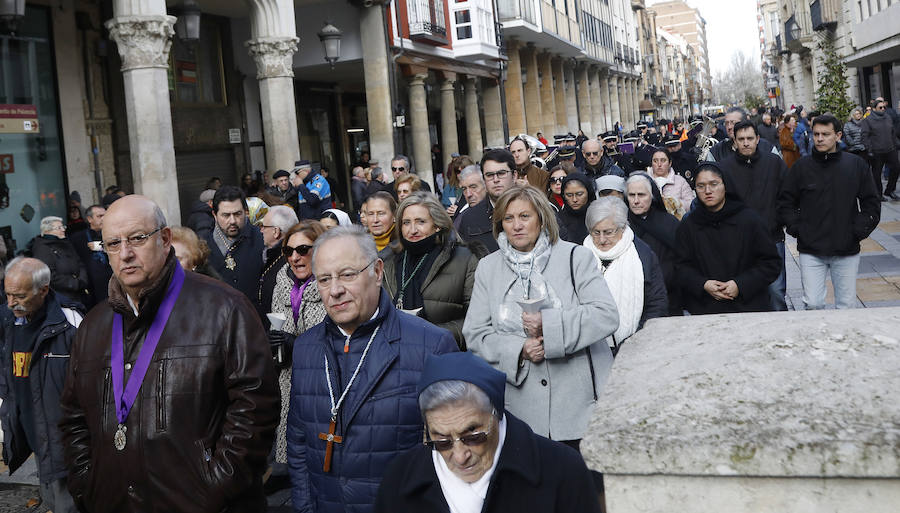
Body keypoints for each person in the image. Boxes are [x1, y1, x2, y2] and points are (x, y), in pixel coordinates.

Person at [58, 195, 279, 512]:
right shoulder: (94, 325)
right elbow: (73, 416)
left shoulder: (224, 308)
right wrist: (87, 484)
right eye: (113, 243)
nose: (126, 253)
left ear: (164, 239)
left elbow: (256, 409)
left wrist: (214, 488)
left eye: (137, 238)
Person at [287, 226, 458, 513]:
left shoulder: (432, 345)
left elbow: (451, 453)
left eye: (347, 274)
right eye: (324, 279)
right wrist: (305, 507)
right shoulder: (305, 347)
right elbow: (299, 441)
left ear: (377, 272)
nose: (335, 290)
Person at [463, 186, 618, 447]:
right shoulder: (488, 268)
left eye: (525, 216)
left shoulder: (575, 257)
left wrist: (549, 325)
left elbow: (605, 315)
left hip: (580, 407)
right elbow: (476, 335)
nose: (516, 226)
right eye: (508, 219)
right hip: (521, 412)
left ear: (542, 218)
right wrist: (520, 349)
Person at [375, 352, 602, 513]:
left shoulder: (562, 470)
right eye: (442, 441)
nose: (460, 455)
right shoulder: (400, 479)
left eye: (473, 436)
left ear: (496, 414)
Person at [1, 258, 82, 513]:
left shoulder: (70, 321)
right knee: (51, 499)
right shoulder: (9, 319)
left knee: (69, 504)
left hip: (65, 440)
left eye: (20, 296)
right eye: (7, 294)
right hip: (34, 433)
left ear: (44, 289)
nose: (11, 302)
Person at [777, 114, 881, 310]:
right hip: (811, 249)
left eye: (825, 134)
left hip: (846, 248)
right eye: (816, 134)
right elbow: (786, 202)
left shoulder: (855, 165)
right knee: (813, 303)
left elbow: (871, 202)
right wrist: (797, 228)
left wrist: (857, 231)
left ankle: (846, 341)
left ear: (838, 135)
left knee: (846, 305)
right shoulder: (801, 167)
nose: (820, 138)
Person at [675, 163, 781, 314]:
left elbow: (771, 263)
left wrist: (740, 285)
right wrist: (703, 284)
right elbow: (680, 267)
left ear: (725, 185)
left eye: (714, 184)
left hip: (749, 307)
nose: (708, 191)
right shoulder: (688, 225)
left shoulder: (750, 220)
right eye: (700, 186)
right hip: (706, 309)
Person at [268, 220, 329, 478]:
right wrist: (274, 345)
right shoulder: (282, 284)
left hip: (324, 387)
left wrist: (298, 345)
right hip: (289, 384)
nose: (295, 257)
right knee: (297, 464)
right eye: (288, 251)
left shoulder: (332, 284)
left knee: (324, 460)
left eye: (303, 249)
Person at [381, 192, 477, 347]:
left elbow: (477, 319)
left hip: (445, 355)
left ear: (437, 225)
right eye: (406, 223)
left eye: (421, 222)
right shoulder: (388, 261)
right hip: (394, 353)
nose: (412, 230)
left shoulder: (464, 259)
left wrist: (432, 335)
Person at [719, 121, 789, 311]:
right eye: (741, 139)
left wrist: (779, 220)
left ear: (758, 139)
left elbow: (787, 195)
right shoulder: (724, 168)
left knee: (776, 292)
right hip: (738, 242)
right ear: (735, 141)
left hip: (771, 237)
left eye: (750, 138)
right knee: (744, 294)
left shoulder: (774, 163)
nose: (746, 143)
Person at [583, 198, 667, 352]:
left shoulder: (643, 255)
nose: (602, 240)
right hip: (588, 349)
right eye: (596, 232)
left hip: (635, 347)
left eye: (608, 232)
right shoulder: (580, 256)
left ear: (622, 228)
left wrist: (632, 342)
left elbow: (657, 304)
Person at [626, 173, 682, 316]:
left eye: (641, 195)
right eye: (632, 195)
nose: (636, 201)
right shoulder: (621, 225)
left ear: (652, 196)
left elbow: (683, 259)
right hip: (631, 298)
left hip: (669, 295)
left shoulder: (669, 223)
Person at [205, 186, 265, 302]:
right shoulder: (204, 247)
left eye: (237, 214)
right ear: (214, 215)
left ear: (246, 212)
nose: (232, 221)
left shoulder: (260, 238)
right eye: (226, 215)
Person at [456, 149, 516, 254]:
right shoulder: (469, 219)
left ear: (514, 176)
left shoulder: (536, 209)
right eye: (489, 175)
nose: (496, 179)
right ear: (484, 180)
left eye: (501, 173)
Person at [27, 217, 88, 305]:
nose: (63, 230)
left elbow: (79, 262)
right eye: (59, 228)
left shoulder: (65, 242)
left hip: (79, 293)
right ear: (47, 231)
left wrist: (83, 280)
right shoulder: (42, 249)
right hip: (62, 298)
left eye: (63, 227)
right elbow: (49, 275)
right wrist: (75, 284)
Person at [257, 205, 300, 324]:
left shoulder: (289, 261)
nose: (261, 230)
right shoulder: (273, 256)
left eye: (264, 226)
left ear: (276, 231)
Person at [69, 205, 113, 307]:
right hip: (91, 287)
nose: (103, 219)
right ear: (89, 219)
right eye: (100, 216)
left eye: (105, 216)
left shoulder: (113, 233)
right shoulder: (78, 238)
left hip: (113, 283)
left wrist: (103, 247)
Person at [707, 107, 780, 162]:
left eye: (733, 122)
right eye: (726, 123)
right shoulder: (716, 152)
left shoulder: (767, 148)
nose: (729, 127)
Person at [861, 99, 900, 200]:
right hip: (876, 151)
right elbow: (865, 136)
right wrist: (869, 149)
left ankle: (889, 190)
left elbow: (892, 132)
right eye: (880, 107)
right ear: (874, 109)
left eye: (884, 107)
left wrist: (895, 144)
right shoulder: (867, 120)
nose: (883, 109)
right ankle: (878, 194)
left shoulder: (888, 117)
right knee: (876, 174)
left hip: (890, 149)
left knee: (896, 169)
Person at [648, 148, 694, 220]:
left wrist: (675, 203)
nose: (659, 164)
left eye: (663, 160)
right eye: (655, 161)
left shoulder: (680, 181)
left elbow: (691, 204)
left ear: (670, 163)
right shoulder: (644, 181)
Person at [556, 173, 595, 243]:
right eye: (569, 195)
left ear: (588, 193)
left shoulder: (598, 216)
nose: (574, 199)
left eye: (579, 194)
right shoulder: (558, 220)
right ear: (563, 196)